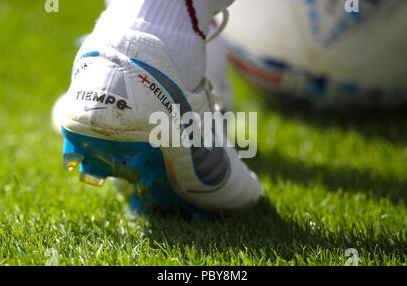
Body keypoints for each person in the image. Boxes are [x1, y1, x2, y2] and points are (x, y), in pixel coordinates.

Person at [54, 0, 263, 214]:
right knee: (250, 198)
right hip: (161, 72)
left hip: (99, 52)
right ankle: (170, 56)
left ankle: (111, 46)